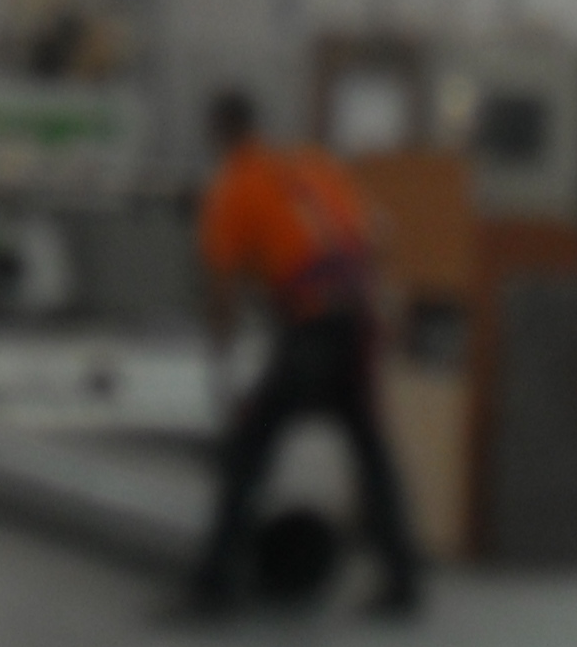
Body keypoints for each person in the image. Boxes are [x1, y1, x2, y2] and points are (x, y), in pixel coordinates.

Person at [177, 87, 422, 619]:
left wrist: (220, 339)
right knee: (371, 453)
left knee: (248, 452)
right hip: (358, 323)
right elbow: (378, 236)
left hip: (310, 331)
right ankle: (404, 582)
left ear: (219, 132)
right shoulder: (313, 164)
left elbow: (221, 287)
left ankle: (214, 587)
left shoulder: (233, 185)